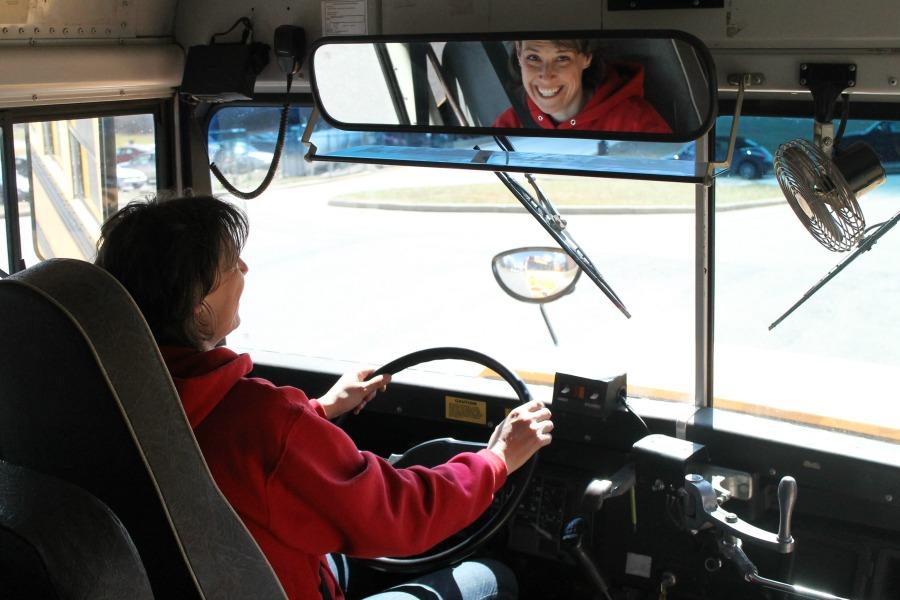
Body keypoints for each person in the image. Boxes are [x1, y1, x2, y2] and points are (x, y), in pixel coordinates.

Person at [94, 195, 554, 600]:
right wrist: (496, 459)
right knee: (489, 578)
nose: (246, 270)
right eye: (233, 264)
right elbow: (402, 516)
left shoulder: (105, 400)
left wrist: (321, 410)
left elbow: (225, 456)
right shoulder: (261, 421)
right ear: (199, 305)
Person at [492, 39, 672, 134]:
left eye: (562, 58)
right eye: (533, 58)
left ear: (586, 57)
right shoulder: (509, 125)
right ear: (518, 53)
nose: (546, 75)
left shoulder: (635, 122)